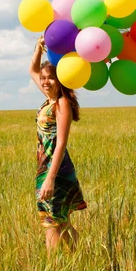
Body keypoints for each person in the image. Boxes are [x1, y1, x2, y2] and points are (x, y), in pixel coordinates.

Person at [29, 35, 87, 253]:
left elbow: (61, 143)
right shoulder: (49, 99)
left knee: (51, 222)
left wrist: (50, 179)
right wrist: (39, 48)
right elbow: (33, 71)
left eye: (51, 78)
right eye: (44, 78)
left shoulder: (62, 103)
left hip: (56, 169)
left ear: (61, 79)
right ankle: (78, 257)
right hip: (46, 167)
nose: (45, 81)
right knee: (60, 221)